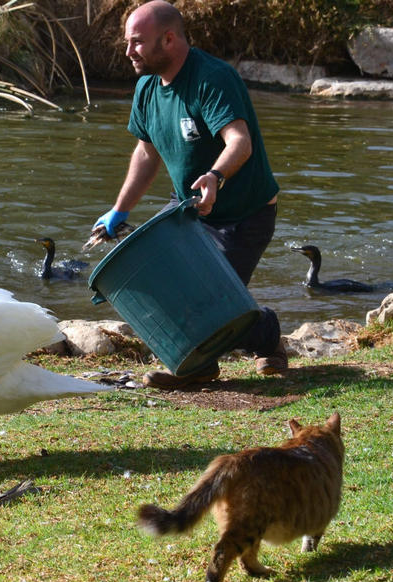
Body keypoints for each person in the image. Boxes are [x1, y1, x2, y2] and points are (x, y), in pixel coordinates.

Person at [94, 0, 287, 390]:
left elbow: (240, 142)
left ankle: (265, 332)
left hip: (243, 213)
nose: (128, 51)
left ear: (168, 39)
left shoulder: (211, 78)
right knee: (160, 283)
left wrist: (215, 176)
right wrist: (118, 211)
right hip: (188, 208)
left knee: (212, 308)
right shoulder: (147, 87)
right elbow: (146, 154)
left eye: (136, 42)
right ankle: (198, 366)